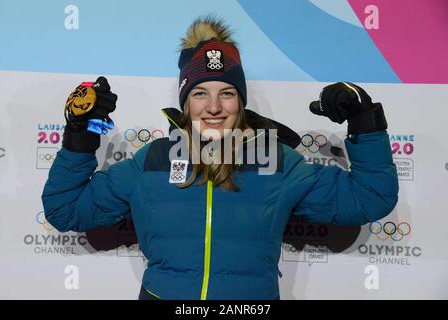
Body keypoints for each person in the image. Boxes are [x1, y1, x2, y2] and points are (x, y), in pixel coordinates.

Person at [42, 16, 398, 300]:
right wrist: (80, 135)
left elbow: (369, 199)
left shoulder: (274, 159)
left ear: (240, 101)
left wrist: (364, 122)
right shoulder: (153, 160)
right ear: (186, 102)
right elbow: (66, 210)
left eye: (227, 93)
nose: (213, 107)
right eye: (200, 93)